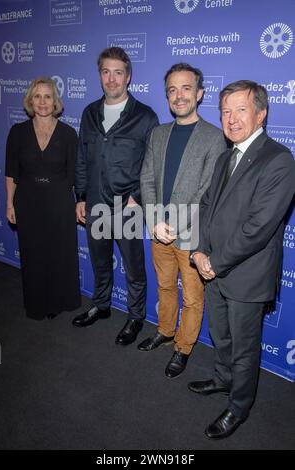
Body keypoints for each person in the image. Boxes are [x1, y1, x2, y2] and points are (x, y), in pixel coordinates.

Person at [189, 80, 295, 439]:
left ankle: (239, 407)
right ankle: (222, 380)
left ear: (261, 113)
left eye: (240, 110)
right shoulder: (225, 155)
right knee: (220, 333)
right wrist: (199, 251)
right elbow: (207, 208)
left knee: (245, 347)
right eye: (225, 112)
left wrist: (215, 261)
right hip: (212, 267)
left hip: (245, 275)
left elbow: (258, 228)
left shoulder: (279, 159)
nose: (231, 119)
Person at [138, 63, 227, 378]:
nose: (179, 96)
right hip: (157, 230)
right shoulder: (158, 133)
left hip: (190, 234)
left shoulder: (215, 138)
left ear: (200, 94)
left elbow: (206, 192)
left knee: (192, 297)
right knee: (164, 286)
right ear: (167, 95)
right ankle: (164, 330)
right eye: (172, 90)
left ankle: (183, 347)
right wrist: (153, 219)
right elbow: (146, 177)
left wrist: (172, 223)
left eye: (186, 88)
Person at [72, 47, 159, 345]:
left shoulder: (145, 117)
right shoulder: (89, 113)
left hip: (128, 208)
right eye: (105, 72)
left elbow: (152, 164)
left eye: (118, 72)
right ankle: (102, 305)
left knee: (134, 268)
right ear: (99, 75)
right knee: (100, 261)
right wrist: (81, 197)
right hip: (95, 203)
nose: (111, 79)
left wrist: (137, 196)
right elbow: (82, 159)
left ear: (128, 76)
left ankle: (135, 317)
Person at [5, 77, 81, 320]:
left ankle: (57, 302)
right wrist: (9, 203)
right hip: (27, 201)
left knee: (58, 254)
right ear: (30, 101)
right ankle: (36, 303)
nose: (42, 102)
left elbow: (75, 174)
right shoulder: (17, 132)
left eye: (48, 96)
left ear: (55, 101)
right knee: (33, 254)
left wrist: (78, 201)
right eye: (37, 96)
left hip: (59, 200)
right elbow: (11, 172)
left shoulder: (69, 133)